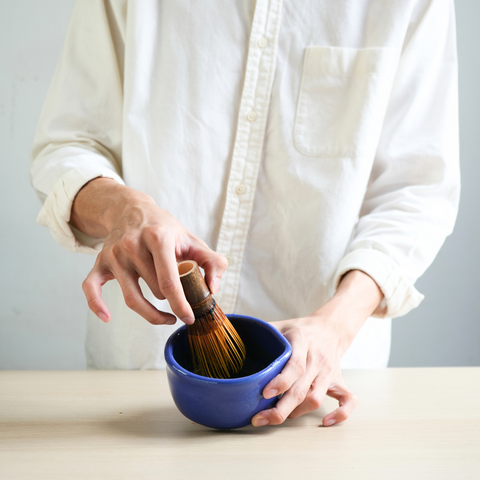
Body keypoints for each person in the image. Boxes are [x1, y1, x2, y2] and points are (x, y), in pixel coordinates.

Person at [30, 0, 459, 428]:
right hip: (136, 389)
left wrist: (335, 326)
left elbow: (417, 189)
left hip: (315, 391)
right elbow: (67, 143)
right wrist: (122, 208)